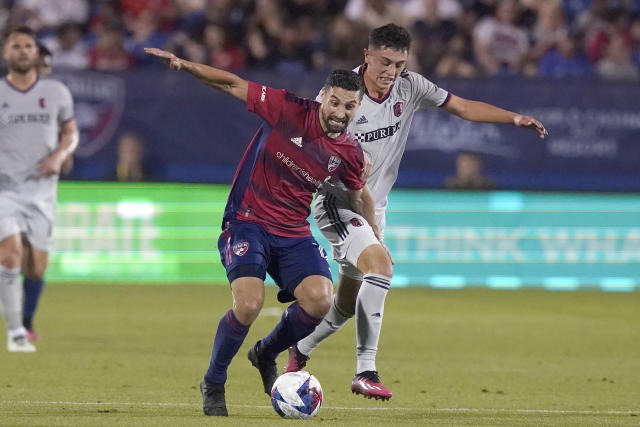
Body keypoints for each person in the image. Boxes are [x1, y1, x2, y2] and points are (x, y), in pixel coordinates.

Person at [287, 23, 547, 400]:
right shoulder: (342, 97)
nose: (391, 70)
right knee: (382, 268)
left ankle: (298, 349)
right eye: (385, 62)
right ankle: (365, 370)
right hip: (339, 204)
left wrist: (514, 118)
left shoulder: (411, 87)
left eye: (399, 63)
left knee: (345, 305)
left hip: (375, 207)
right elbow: (306, 147)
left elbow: (462, 107)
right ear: (367, 57)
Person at [145, 47, 379, 417]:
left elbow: (357, 194)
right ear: (323, 96)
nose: (340, 113)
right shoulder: (286, 109)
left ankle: (265, 352)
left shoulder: (349, 152)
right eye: (335, 102)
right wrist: (186, 65)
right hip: (247, 221)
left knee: (320, 299)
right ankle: (214, 380)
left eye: (350, 107)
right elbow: (232, 83)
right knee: (250, 304)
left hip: (293, 230)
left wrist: (375, 243)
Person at [0, 26, 79, 352]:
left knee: (37, 266)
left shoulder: (57, 92)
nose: (22, 51)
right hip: (4, 188)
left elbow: (71, 134)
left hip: (43, 191)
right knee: (11, 252)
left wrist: (60, 156)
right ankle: (15, 332)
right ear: (6, 54)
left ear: (36, 53)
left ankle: (26, 320)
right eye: (15, 46)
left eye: (28, 46)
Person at [20, 42, 74, 341]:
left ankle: (26, 323)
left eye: (48, 68)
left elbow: (67, 159)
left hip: (39, 196)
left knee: (36, 262)